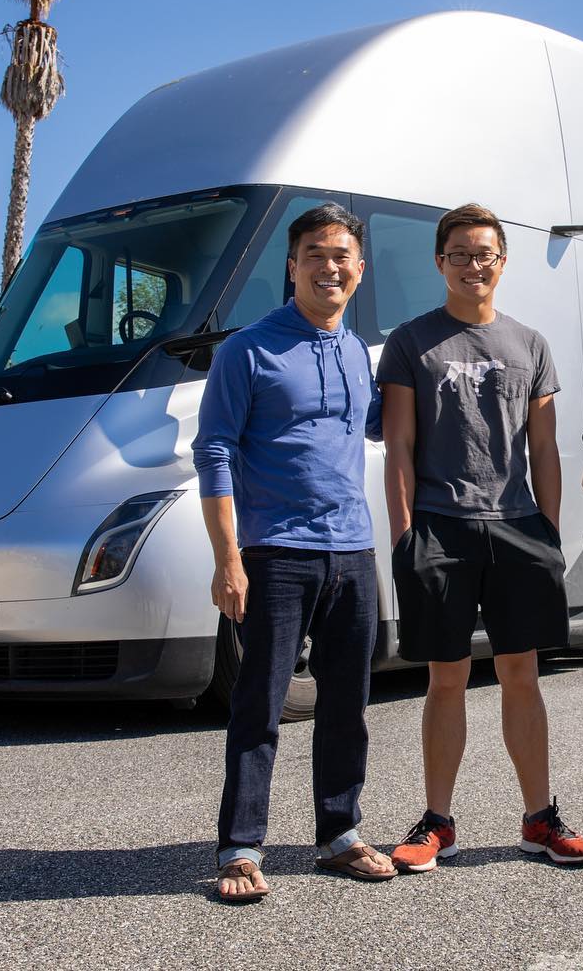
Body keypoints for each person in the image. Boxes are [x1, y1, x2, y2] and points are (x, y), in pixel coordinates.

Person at [379, 203, 583, 873]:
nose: (474, 264)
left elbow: (544, 448)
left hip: (517, 526)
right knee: (445, 677)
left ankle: (540, 820)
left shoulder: (529, 344)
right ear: (439, 262)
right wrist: (404, 539)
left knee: (520, 673)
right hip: (440, 526)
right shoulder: (411, 342)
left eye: (485, 253)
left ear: (502, 261)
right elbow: (399, 449)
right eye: (460, 253)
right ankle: (437, 823)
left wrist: (549, 533)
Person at [193, 202, 396, 902]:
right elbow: (214, 451)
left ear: (359, 270)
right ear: (292, 265)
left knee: (349, 703)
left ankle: (340, 834)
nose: (329, 267)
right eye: (315, 254)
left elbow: (378, 427)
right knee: (262, 704)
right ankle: (241, 847)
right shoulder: (247, 349)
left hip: (352, 551)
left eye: (341, 255)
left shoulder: (354, 352)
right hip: (276, 551)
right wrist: (229, 558)